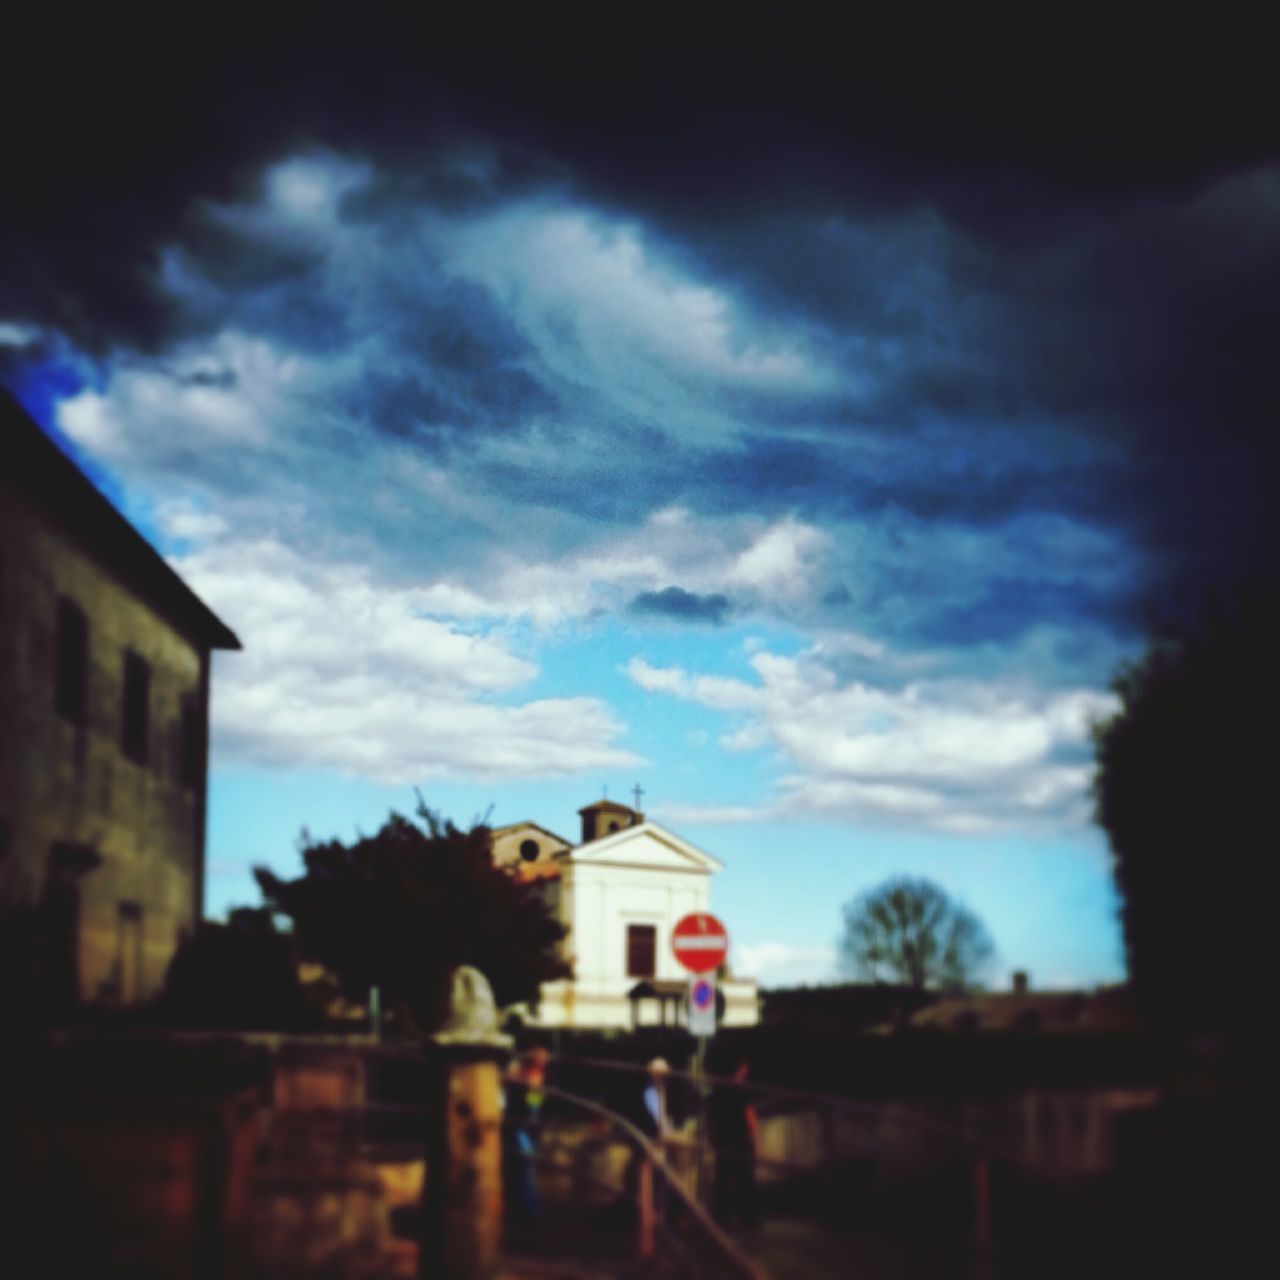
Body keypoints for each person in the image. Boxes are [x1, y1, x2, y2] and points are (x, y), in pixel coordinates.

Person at [707, 1052, 758, 1232]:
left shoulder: (718, 1090)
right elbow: (749, 1115)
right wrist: (754, 1137)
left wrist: (712, 1138)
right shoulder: (743, 1090)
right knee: (745, 1179)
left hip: (723, 1139)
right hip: (740, 1138)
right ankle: (748, 1218)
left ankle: (720, 1218)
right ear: (740, 1070)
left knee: (722, 1178)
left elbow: (711, 1117)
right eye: (744, 1068)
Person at [502, 1045, 549, 1228]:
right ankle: (525, 1211)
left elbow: (534, 1108)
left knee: (525, 1167)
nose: (542, 1063)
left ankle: (527, 1212)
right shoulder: (516, 1072)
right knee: (520, 1167)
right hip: (518, 1126)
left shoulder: (535, 1078)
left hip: (526, 1128)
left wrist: (534, 1088)